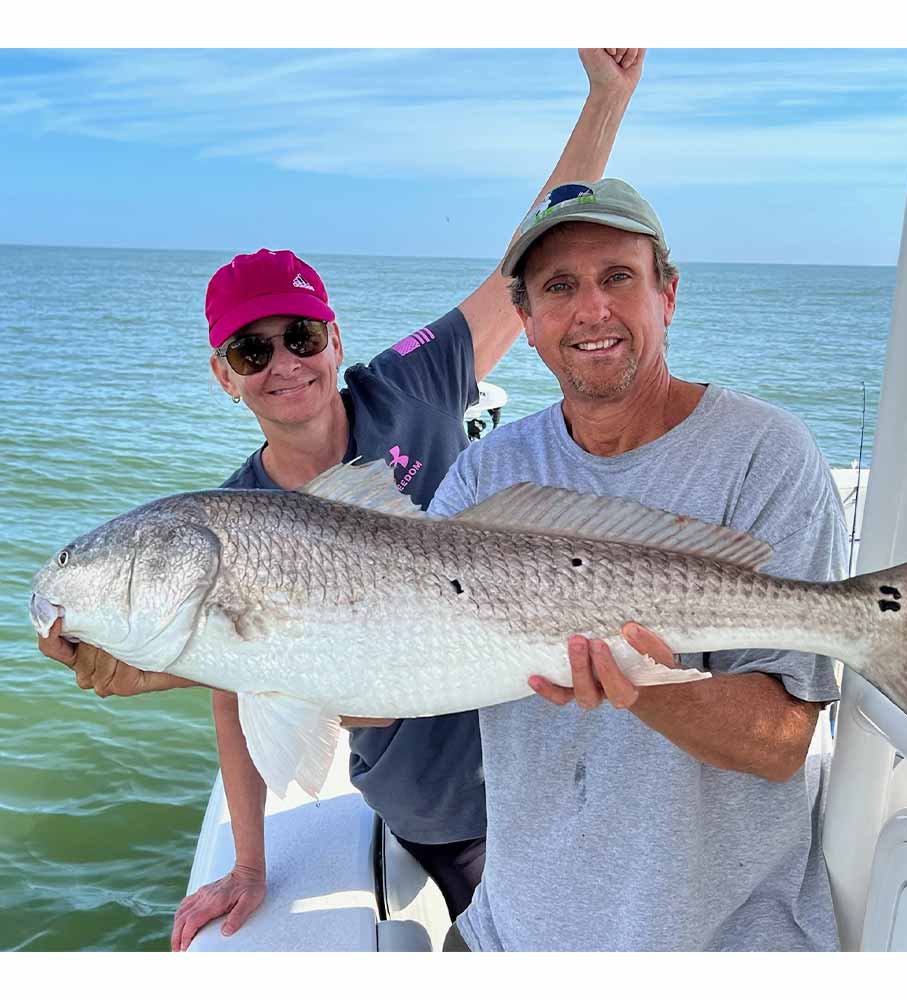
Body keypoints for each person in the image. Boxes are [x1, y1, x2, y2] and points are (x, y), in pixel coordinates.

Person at [36, 49, 647, 950]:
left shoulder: (414, 383)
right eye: (252, 352)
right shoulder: (233, 516)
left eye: (300, 335)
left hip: (554, 760)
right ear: (223, 378)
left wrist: (606, 98)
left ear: (333, 336)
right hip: (437, 806)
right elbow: (238, 696)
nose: (284, 363)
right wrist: (246, 866)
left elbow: (532, 258)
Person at [427, 177, 849, 951]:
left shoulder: (766, 453)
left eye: (618, 277)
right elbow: (387, 682)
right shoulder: (485, 475)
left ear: (668, 294)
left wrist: (644, 686)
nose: (592, 310)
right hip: (512, 930)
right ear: (525, 320)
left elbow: (783, 742)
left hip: (716, 941)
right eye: (559, 286)